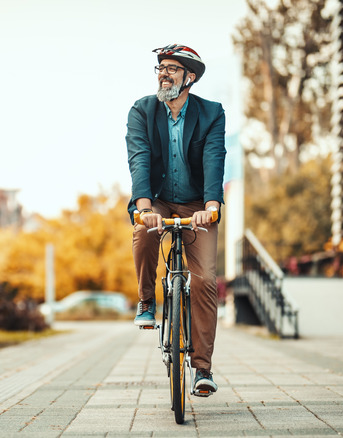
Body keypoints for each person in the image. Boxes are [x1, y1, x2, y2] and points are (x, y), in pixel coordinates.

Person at [126, 44, 226, 397]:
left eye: (171, 68)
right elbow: (138, 158)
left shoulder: (211, 113)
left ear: (190, 77)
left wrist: (212, 205)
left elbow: (215, 158)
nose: (163, 73)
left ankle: (203, 370)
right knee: (144, 230)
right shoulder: (142, 110)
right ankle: (146, 300)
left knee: (203, 281)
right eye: (160, 68)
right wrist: (144, 207)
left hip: (198, 203)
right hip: (159, 200)